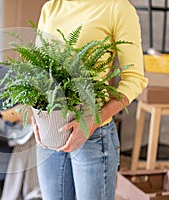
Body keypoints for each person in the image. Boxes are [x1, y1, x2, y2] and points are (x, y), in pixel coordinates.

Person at [32, 1, 148, 200]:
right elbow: (37, 70)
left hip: (93, 137)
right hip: (50, 133)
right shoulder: (51, 7)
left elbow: (134, 79)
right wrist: (36, 117)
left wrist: (91, 121)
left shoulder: (117, 8)